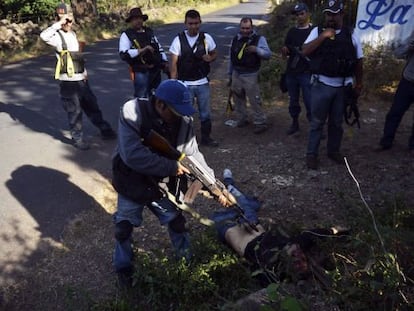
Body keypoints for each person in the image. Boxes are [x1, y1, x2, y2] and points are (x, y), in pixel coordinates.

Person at [111, 79, 228, 288]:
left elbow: (193, 156)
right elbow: (132, 155)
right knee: (123, 229)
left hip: (161, 185)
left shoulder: (183, 121)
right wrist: (172, 167)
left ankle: (187, 265)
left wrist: (215, 187)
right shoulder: (132, 111)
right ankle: (123, 269)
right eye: (175, 111)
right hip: (131, 180)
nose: (179, 116)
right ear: (160, 104)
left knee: (177, 223)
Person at [211, 168, 350, 284]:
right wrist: (337, 231)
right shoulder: (294, 244)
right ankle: (229, 183)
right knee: (241, 201)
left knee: (228, 204)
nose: (298, 256)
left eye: (297, 262)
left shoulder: (270, 270)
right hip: (251, 222)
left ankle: (228, 185)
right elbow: (315, 234)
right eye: (302, 257)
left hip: (229, 227)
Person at [40, 4, 116, 150]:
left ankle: (104, 129)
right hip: (68, 82)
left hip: (81, 78)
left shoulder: (73, 35)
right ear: (58, 19)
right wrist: (59, 23)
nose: (67, 23)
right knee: (74, 111)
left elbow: (77, 56)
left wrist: (85, 71)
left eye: (69, 19)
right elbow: (43, 36)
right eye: (63, 20)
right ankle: (78, 138)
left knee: (92, 105)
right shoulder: (56, 36)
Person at [301, 0, 363, 169]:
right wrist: (323, 36)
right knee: (317, 122)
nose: (330, 17)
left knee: (336, 122)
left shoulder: (351, 33)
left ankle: (333, 151)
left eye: (334, 14)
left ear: (342, 14)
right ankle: (311, 154)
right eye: (328, 14)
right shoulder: (317, 31)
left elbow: (359, 61)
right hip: (321, 85)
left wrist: (359, 85)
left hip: (342, 87)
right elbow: (305, 50)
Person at [169, 9, 219, 147]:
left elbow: (215, 53)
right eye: (190, 23)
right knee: (185, 115)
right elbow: (173, 64)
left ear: (200, 23)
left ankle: (206, 138)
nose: (193, 26)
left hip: (202, 82)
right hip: (185, 84)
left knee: (205, 113)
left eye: (196, 23)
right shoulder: (178, 40)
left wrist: (210, 58)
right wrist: (174, 84)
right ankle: (186, 141)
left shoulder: (206, 38)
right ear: (185, 23)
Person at [228, 17, 272, 134]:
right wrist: (230, 74)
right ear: (240, 27)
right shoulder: (235, 39)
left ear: (251, 27)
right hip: (236, 73)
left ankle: (260, 122)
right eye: (243, 28)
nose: (245, 30)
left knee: (254, 100)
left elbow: (268, 54)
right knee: (238, 98)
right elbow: (231, 58)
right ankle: (242, 119)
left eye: (247, 28)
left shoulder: (259, 39)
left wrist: (256, 50)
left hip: (251, 74)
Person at [119, 7, 168, 98]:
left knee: (157, 97)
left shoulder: (149, 32)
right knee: (142, 98)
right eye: (135, 19)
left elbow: (158, 47)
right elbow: (124, 54)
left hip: (155, 69)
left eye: (140, 18)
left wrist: (164, 61)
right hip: (140, 71)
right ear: (131, 21)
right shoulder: (127, 35)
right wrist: (142, 50)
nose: (138, 21)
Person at [378, 31, 414, 154]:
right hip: (408, 81)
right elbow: (397, 53)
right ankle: (386, 142)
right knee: (395, 112)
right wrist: (409, 47)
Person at [281, 3, 313, 135]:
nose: (299, 17)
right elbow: (286, 53)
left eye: (301, 14)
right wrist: (284, 51)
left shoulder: (314, 31)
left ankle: (314, 126)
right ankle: (295, 123)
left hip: (307, 72)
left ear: (307, 13)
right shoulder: (292, 32)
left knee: (310, 101)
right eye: (297, 15)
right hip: (292, 72)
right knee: (293, 101)